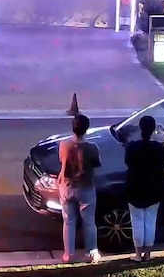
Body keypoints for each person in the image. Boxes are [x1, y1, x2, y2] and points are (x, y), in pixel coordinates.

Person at [58, 113, 103, 264]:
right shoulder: (92, 148)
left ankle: (68, 254)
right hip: (85, 187)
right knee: (89, 222)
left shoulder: (64, 145)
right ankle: (90, 252)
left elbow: (62, 162)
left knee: (68, 221)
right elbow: (96, 165)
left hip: (66, 186)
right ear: (87, 129)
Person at [124, 115, 164, 262]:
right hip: (154, 188)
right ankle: (148, 254)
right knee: (150, 221)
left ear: (140, 128)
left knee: (136, 221)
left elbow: (128, 163)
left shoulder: (132, 147)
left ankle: (137, 254)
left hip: (135, 187)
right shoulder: (159, 148)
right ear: (154, 129)